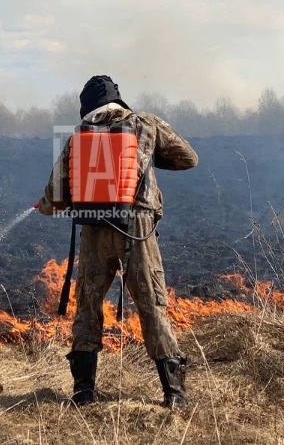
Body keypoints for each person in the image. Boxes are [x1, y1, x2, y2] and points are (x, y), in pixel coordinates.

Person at [36, 75, 199, 409]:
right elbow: (188, 158)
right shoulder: (146, 124)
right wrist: (149, 156)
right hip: (135, 229)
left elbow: (54, 197)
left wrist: (45, 205)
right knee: (152, 305)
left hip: (95, 229)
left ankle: (83, 392)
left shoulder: (77, 138)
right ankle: (174, 394)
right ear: (118, 100)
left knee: (88, 305)